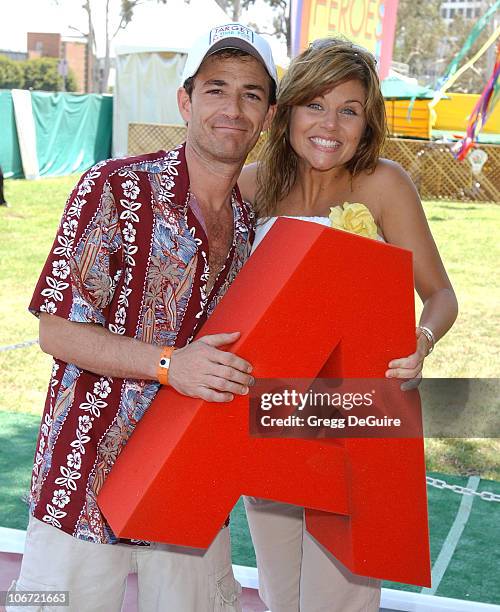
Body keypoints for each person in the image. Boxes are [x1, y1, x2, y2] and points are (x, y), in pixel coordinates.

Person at [7, 23, 276, 612]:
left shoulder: (249, 224)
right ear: (185, 99)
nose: (232, 108)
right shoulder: (111, 186)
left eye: (251, 94)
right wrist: (168, 366)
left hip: (188, 481)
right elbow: (56, 329)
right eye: (216, 89)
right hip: (85, 475)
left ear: (268, 115)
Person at [239, 38, 458, 612]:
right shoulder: (251, 186)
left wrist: (421, 340)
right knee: (280, 593)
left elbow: (440, 294)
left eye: (350, 109)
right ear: (287, 111)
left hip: (355, 422)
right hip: (270, 417)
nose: (329, 124)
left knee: (340, 600)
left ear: (368, 121)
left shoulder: (385, 185)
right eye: (315, 103)